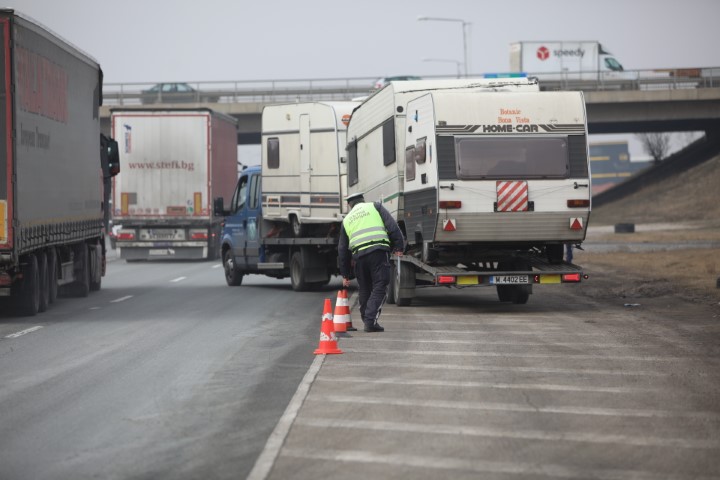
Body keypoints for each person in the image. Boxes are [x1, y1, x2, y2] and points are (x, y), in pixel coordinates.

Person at [338, 192, 405, 332]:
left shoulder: (347, 219)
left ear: (349, 205)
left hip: (359, 257)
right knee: (381, 284)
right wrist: (399, 246)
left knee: (365, 288)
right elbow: (392, 226)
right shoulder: (375, 207)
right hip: (378, 252)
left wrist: (345, 274)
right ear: (363, 200)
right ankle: (370, 321)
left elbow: (342, 249)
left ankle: (366, 319)